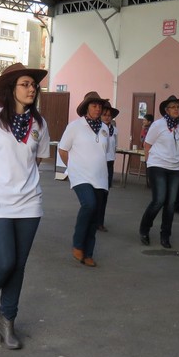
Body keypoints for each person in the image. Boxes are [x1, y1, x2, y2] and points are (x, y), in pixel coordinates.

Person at [0, 63, 50, 350]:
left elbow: (37, 159)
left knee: (18, 265)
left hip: (29, 203)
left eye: (33, 85)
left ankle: (8, 321)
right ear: (11, 89)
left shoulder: (39, 124)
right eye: (25, 84)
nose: (32, 89)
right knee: (3, 261)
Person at [59, 91, 109, 267]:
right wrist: (72, 168)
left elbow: (103, 152)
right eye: (94, 105)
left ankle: (88, 253)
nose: (98, 109)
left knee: (94, 215)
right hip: (80, 175)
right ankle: (78, 244)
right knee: (89, 204)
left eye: (100, 106)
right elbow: (62, 150)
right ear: (86, 107)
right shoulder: (75, 126)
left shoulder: (105, 129)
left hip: (100, 177)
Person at [139, 95, 179, 249]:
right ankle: (144, 229)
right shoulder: (158, 125)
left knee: (170, 204)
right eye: (173, 107)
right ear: (166, 110)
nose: (176, 109)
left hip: (175, 168)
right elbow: (147, 145)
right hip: (157, 165)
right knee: (159, 200)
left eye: (178, 107)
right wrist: (148, 164)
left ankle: (165, 235)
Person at [95, 101, 119, 232]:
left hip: (109, 163)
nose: (107, 117)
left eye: (109, 115)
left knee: (105, 193)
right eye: (104, 115)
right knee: (97, 193)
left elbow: (114, 147)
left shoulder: (114, 130)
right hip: (99, 163)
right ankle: (93, 219)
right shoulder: (97, 128)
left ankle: (100, 222)